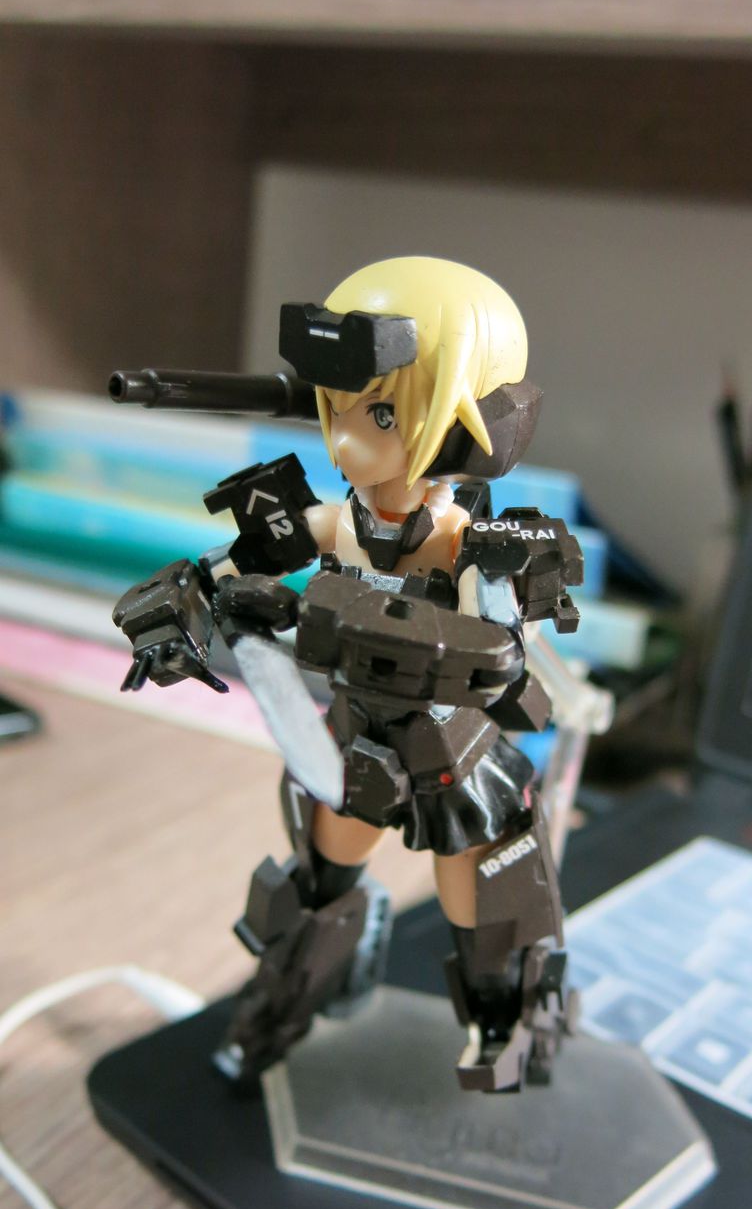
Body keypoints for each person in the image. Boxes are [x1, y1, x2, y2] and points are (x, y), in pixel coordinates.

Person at [113, 256, 584, 1094]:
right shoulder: (341, 521)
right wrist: (190, 605)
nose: (344, 436)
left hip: (452, 756)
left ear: (470, 422)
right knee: (312, 891)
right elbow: (223, 567)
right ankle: (280, 1008)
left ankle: (504, 1032)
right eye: (335, 406)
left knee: (487, 910)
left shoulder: (471, 546)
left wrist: (330, 622)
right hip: (356, 745)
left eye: (381, 412)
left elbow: (496, 654)